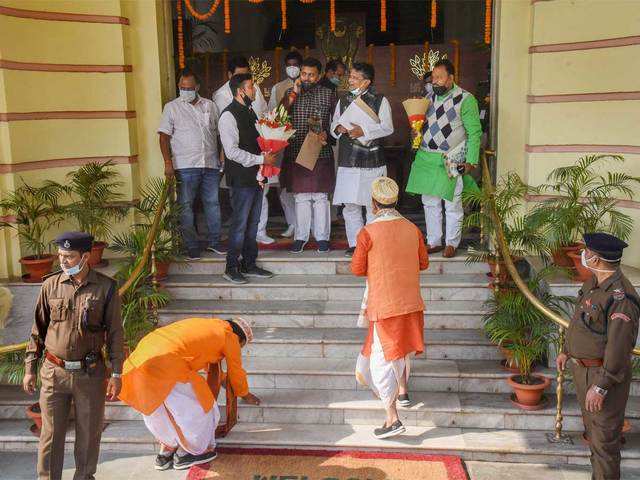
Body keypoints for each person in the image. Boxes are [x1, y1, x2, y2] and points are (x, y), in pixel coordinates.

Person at [23, 232, 124, 480]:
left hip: (89, 374)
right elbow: (38, 329)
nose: (63, 261)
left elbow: (115, 333)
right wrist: (29, 368)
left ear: (86, 256)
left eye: (69, 256)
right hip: (53, 372)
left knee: (89, 435)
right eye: (60, 256)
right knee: (50, 435)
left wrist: (117, 372)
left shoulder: (106, 288)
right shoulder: (50, 285)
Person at [119, 317, 261, 471]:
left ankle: (166, 452)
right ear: (240, 340)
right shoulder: (230, 336)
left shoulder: (209, 325)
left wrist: (224, 381)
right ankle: (188, 453)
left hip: (140, 360)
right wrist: (244, 393)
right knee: (202, 407)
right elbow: (236, 371)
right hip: (167, 363)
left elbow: (211, 367)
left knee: (158, 409)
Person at [556, 233, 639, 480]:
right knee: (594, 437)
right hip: (584, 372)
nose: (584, 254)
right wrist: (567, 351)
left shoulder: (621, 297)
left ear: (597, 258)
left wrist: (601, 387)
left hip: (602, 377)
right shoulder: (593, 284)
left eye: (587, 251)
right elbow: (581, 323)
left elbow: (618, 348)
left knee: (604, 444)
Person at [351, 177, 428, 439]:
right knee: (401, 354)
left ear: (373, 204)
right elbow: (424, 263)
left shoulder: (368, 232)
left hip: (385, 304)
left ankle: (393, 418)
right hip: (411, 302)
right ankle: (400, 397)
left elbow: (357, 269)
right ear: (396, 202)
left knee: (380, 362)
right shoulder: (412, 228)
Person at [406, 58, 482, 258]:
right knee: (429, 201)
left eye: (440, 78)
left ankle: (452, 243)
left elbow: (474, 133)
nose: (435, 81)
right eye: (433, 78)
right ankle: (433, 241)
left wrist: (471, 161)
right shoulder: (428, 98)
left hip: (452, 157)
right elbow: (421, 125)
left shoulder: (466, 99)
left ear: (451, 78)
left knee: (452, 202)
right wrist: (416, 133)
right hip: (426, 157)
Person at [159, 67, 225, 261]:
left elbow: (219, 134)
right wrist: (167, 163)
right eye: (181, 87)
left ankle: (214, 242)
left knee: (213, 204)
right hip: (185, 165)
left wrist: (222, 155)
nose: (184, 90)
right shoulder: (171, 107)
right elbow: (163, 138)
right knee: (186, 206)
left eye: (188, 87)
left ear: (197, 87)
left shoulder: (210, 106)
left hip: (210, 164)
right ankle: (191, 246)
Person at [218, 73, 277, 284]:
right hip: (241, 179)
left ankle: (249, 263)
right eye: (252, 87)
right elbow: (232, 152)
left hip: (256, 177)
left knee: (253, 223)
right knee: (240, 224)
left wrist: (269, 151)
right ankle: (231, 266)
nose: (255, 91)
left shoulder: (250, 111)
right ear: (240, 91)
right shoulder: (228, 116)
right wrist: (261, 158)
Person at [331, 62, 394, 257]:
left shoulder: (379, 100)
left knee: (371, 205)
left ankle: (372, 245)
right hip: (348, 160)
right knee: (350, 205)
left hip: (371, 160)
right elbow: (334, 124)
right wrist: (338, 129)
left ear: (366, 82)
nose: (350, 80)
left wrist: (363, 130)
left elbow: (388, 127)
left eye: (355, 78)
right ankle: (356, 244)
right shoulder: (343, 100)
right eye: (350, 76)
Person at [280, 57, 337, 254]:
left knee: (321, 197)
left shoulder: (329, 94)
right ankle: (301, 237)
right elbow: (279, 116)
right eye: (303, 74)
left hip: (321, 152)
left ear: (319, 76)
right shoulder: (291, 93)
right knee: (301, 197)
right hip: (297, 151)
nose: (306, 78)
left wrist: (327, 135)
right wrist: (293, 94)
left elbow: (336, 123)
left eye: (311, 75)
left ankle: (322, 238)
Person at [261, 50, 304, 242]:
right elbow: (272, 114)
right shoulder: (278, 87)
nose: (292, 68)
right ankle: (292, 223)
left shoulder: (308, 84)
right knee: (284, 186)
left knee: (301, 186)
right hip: (283, 141)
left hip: (303, 140)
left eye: (296, 64)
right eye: (289, 64)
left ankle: (304, 225)